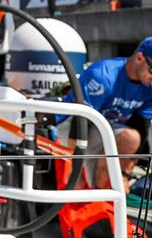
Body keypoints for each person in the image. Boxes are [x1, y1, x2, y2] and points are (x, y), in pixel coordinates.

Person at [57, 36, 152, 192]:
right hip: (73, 122)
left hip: (104, 127)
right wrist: (75, 169)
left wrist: (125, 174)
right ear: (140, 58)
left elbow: (141, 128)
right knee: (79, 180)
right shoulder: (103, 76)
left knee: (131, 138)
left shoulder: (149, 87)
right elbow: (80, 119)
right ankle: (95, 185)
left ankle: (103, 191)